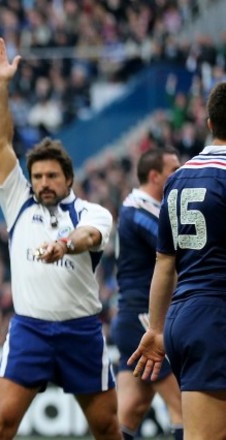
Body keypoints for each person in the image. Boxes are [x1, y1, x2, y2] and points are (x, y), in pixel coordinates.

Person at [0, 36, 120, 439]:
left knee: (108, 427)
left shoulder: (91, 211)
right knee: (0, 424)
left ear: (68, 179)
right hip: (31, 331)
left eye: (51, 176)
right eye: (37, 176)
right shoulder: (18, 203)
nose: (43, 183)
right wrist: (1, 85)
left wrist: (64, 245)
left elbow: (88, 235)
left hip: (81, 331)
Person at [129, 82, 226, 439]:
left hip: (183, 318)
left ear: (210, 124)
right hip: (216, 317)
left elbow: (164, 263)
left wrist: (155, 329)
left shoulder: (179, 177)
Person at [112, 147, 183, 440]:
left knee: (130, 411)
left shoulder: (142, 208)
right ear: (155, 176)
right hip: (143, 318)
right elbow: (177, 249)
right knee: (185, 407)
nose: (181, 174)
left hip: (132, 319)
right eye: (174, 170)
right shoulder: (139, 211)